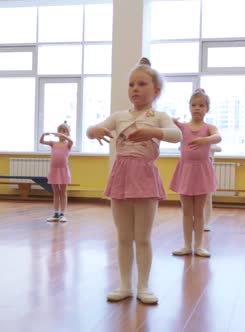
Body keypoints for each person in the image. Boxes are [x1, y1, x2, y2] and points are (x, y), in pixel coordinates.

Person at [86, 57, 182, 305]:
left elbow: (177, 134)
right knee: (123, 236)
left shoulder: (158, 116)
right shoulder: (119, 116)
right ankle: (125, 284)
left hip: (146, 177)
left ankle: (144, 286)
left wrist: (153, 132)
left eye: (141, 84)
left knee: (143, 237)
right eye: (131, 84)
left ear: (156, 90)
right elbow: (92, 129)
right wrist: (95, 131)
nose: (135, 89)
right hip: (121, 177)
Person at [170, 88, 221, 257]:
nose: (197, 108)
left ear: (207, 109)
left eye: (201, 105)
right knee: (186, 211)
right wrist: (172, 121)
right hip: (185, 171)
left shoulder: (209, 127)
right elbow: (169, 126)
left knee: (198, 212)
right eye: (194, 105)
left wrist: (204, 140)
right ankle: (186, 245)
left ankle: (198, 246)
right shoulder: (183, 127)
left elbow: (218, 137)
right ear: (189, 107)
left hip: (202, 172)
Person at [39, 121, 73, 223]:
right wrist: (44, 134)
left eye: (64, 131)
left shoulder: (68, 144)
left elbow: (72, 141)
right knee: (56, 193)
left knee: (63, 192)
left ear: (67, 133)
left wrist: (64, 135)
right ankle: (56, 213)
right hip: (54, 170)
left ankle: (62, 214)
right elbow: (41, 141)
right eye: (59, 131)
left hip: (63, 171)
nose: (61, 133)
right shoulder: (53, 143)